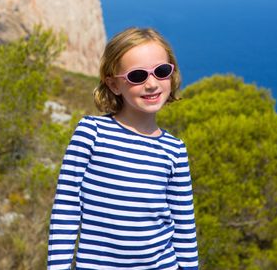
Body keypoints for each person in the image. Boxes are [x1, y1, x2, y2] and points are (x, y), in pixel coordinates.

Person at [47, 27, 198, 270]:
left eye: (161, 72)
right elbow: (66, 208)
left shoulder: (175, 150)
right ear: (114, 84)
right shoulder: (91, 133)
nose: (152, 84)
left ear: (172, 75)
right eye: (137, 76)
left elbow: (184, 227)